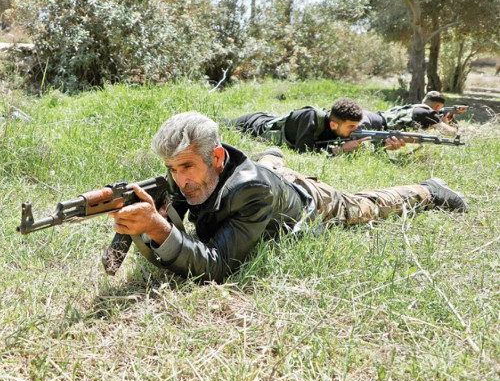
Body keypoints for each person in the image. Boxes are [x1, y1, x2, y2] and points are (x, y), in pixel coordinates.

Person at [109, 112, 467, 283]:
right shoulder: (189, 174)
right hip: (268, 179)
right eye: (172, 168)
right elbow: (180, 198)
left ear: (217, 158)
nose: (180, 178)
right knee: (269, 167)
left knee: (365, 206)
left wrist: (158, 228)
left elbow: (218, 266)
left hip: (309, 201)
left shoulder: (251, 191)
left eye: (187, 166)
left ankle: (428, 189)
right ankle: (272, 157)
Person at [227, 98, 405, 154]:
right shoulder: (311, 118)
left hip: (268, 118)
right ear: (334, 124)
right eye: (351, 127)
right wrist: (341, 150)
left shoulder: (339, 127)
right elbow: (304, 152)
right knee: (222, 123)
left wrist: (384, 146)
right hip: (253, 124)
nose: (355, 130)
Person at [361, 91, 459, 135]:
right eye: (439, 109)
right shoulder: (428, 113)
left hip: (371, 117)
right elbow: (451, 133)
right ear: (437, 106)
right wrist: (445, 122)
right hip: (374, 122)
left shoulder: (415, 108)